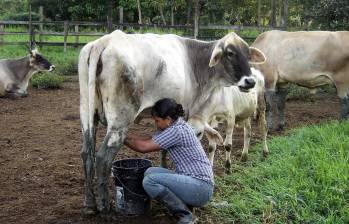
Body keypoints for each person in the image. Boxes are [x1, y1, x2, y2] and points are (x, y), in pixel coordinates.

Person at [124, 98, 214, 224]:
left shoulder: (176, 131)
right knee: (149, 172)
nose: (156, 124)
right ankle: (185, 205)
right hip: (195, 182)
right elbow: (147, 139)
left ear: (167, 119)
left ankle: (185, 215)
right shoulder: (176, 125)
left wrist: (119, 138)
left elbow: (143, 147)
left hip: (201, 188)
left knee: (150, 181)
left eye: (157, 121)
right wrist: (123, 134)